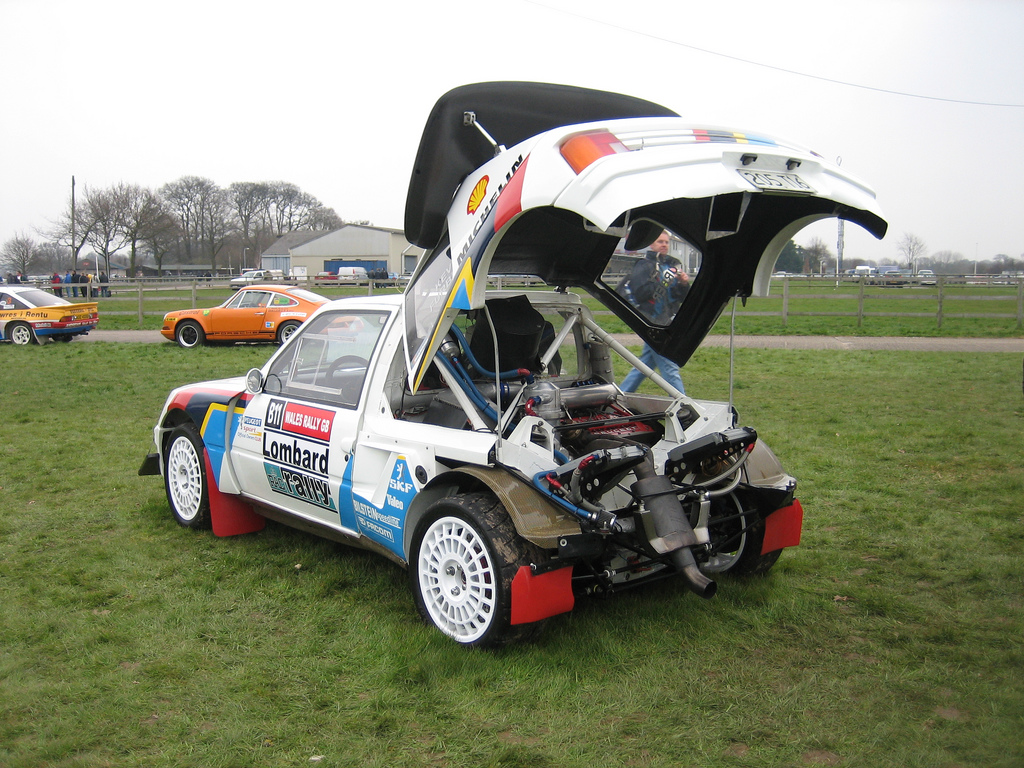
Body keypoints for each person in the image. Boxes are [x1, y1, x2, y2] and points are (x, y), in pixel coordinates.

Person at [619, 231, 689, 395]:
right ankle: (683, 402)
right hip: (651, 322)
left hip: (666, 320)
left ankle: (622, 394)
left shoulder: (671, 265)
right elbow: (641, 293)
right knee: (669, 365)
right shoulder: (644, 266)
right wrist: (664, 281)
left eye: (666, 242)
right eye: (660, 242)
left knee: (645, 365)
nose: (664, 245)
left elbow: (680, 297)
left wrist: (683, 284)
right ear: (651, 244)